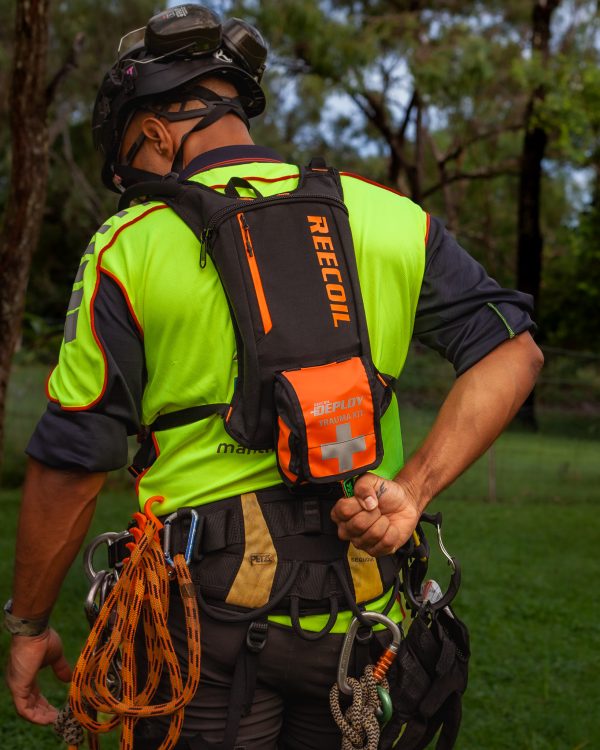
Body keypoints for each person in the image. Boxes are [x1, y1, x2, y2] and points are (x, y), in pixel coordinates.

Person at [4, 5, 543, 749]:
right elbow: (514, 352)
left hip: (198, 626)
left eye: (134, 164)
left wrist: (30, 624)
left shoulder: (127, 246)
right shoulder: (389, 218)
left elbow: (72, 463)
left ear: (156, 134)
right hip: (363, 618)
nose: (136, 188)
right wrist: (413, 490)